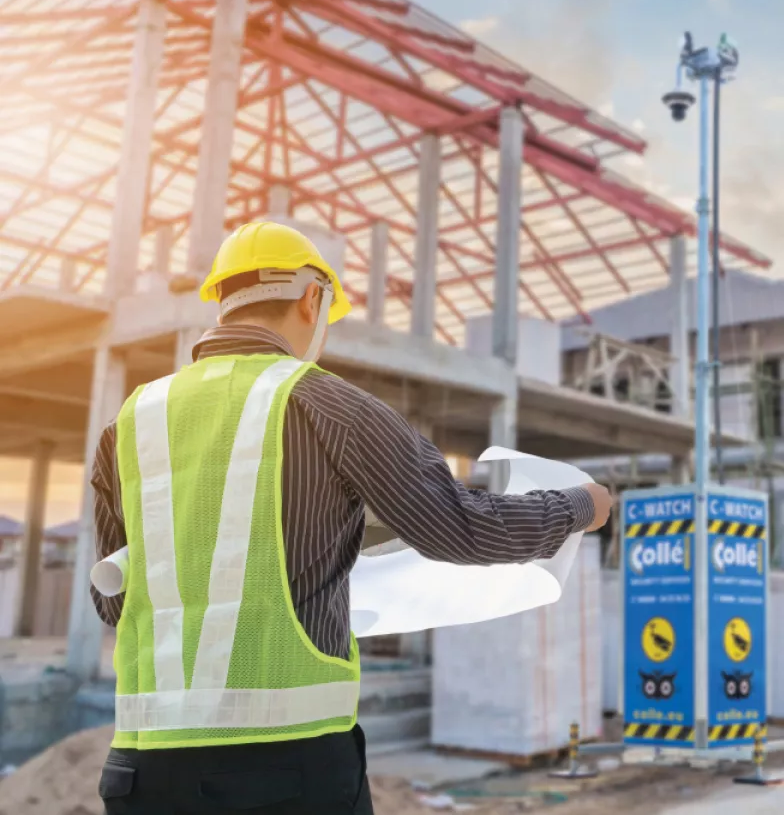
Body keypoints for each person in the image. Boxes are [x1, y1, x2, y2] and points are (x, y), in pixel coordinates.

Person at [92, 221, 615, 814]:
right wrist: (579, 507)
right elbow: (463, 526)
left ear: (222, 301)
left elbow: (114, 601)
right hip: (284, 774)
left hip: (140, 775)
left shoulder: (130, 425)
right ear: (312, 298)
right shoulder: (332, 408)